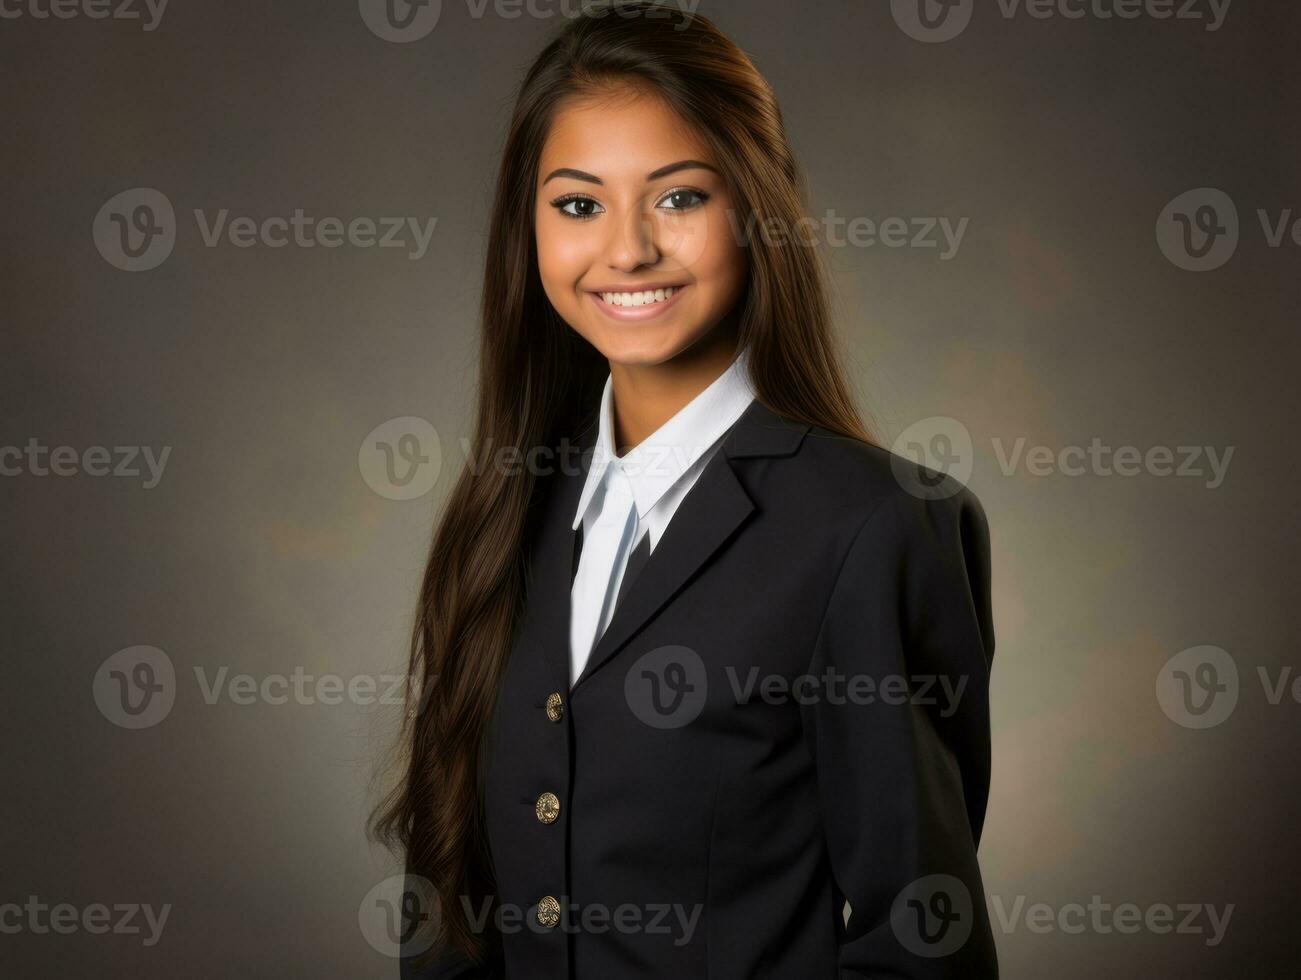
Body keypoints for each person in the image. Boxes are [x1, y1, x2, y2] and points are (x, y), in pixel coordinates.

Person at [371, 2, 998, 977]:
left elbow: (918, 939)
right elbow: (450, 907)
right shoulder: (502, 515)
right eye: (578, 204)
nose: (625, 250)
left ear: (755, 206)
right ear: (526, 225)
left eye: (677, 197)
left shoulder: (872, 526)